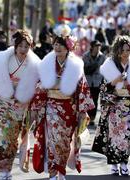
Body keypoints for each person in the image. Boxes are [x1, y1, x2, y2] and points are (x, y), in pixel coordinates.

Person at [30, 26, 95, 180]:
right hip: (52, 106)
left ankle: (62, 170)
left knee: (65, 142)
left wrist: (83, 110)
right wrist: (36, 107)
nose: (57, 47)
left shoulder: (75, 65)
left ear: (68, 48)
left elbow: (83, 87)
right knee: (53, 140)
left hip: (69, 108)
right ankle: (53, 172)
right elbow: (40, 87)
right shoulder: (47, 63)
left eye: (60, 44)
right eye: (55, 44)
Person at [0, 30, 40, 180]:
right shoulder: (4, 59)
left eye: (26, 46)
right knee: (1, 136)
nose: (23, 49)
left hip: (20, 104)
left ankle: (7, 170)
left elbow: (37, 84)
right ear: (15, 46)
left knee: (13, 139)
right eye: (20, 46)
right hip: (3, 101)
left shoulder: (34, 64)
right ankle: (2, 167)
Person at [92, 35, 130, 176]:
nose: (126, 53)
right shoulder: (109, 66)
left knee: (127, 136)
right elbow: (102, 88)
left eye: (129, 50)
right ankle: (114, 164)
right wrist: (116, 81)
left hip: (129, 106)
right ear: (117, 50)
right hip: (114, 106)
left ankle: (124, 163)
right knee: (114, 136)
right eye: (123, 50)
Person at [82, 40, 106, 125]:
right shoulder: (85, 56)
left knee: (95, 99)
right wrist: (95, 65)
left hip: (97, 81)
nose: (98, 47)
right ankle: (87, 116)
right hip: (88, 81)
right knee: (87, 99)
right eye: (96, 46)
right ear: (92, 46)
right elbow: (84, 69)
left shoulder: (102, 57)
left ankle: (92, 118)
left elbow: (105, 70)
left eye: (99, 46)